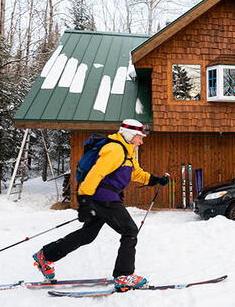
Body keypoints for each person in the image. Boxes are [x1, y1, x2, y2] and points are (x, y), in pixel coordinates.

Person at [32, 119, 169, 290]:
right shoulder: (114, 150)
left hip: (105, 197)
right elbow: (94, 175)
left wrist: (155, 179)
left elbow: (135, 173)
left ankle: (46, 256)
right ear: (130, 135)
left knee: (87, 235)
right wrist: (84, 202)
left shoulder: (128, 151)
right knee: (130, 230)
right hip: (103, 197)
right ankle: (124, 275)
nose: (142, 140)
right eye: (139, 137)